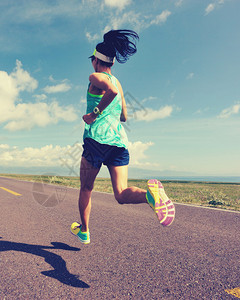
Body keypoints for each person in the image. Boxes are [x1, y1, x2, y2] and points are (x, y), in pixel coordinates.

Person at [71, 29, 175, 244]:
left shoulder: (95, 77)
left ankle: (84, 230)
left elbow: (111, 92)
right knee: (120, 194)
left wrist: (93, 114)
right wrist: (109, 110)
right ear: (112, 63)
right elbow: (124, 116)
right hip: (118, 142)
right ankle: (150, 196)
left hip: (97, 141)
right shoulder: (118, 81)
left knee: (86, 189)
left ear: (95, 61)